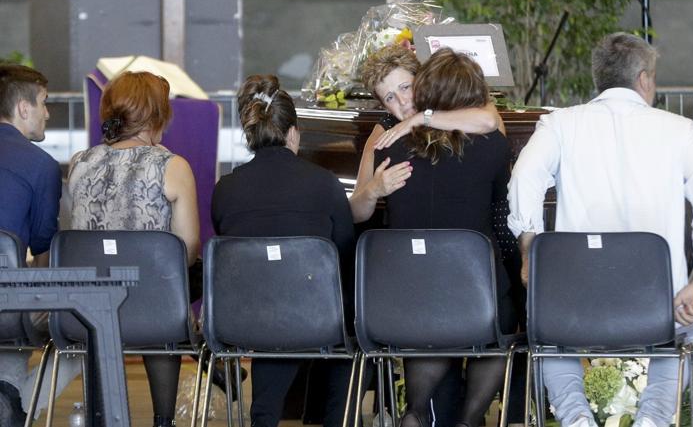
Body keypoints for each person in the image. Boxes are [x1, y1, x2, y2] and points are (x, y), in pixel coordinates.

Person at [508, 32, 693, 427]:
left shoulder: (560, 124)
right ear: (644, 79)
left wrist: (530, 249)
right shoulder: (681, 131)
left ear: (600, 79)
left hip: (576, 304)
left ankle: (575, 417)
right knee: (688, 328)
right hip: (658, 305)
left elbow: (523, 177)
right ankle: (654, 418)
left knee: (551, 334)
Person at [373, 49, 514, 427]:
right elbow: (502, 208)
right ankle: (468, 420)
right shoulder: (494, 148)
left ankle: (416, 410)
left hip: (407, 299)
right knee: (503, 328)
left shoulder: (389, 146)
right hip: (475, 295)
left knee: (431, 316)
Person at [210, 75, 355, 427]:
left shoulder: (225, 189)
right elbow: (345, 250)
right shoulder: (325, 183)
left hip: (243, 320)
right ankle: (337, 418)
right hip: (316, 318)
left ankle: (264, 416)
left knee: (271, 308)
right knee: (344, 312)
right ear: (293, 133)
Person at [67, 71, 199, 427]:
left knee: (155, 292)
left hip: (85, 311)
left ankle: (99, 415)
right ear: (157, 115)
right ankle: (163, 420)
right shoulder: (172, 166)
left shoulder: (79, 163)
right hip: (152, 312)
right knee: (168, 291)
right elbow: (184, 251)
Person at [350, 44, 502, 223]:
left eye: (405, 87)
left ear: (421, 80)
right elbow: (354, 213)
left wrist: (420, 118)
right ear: (384, 107)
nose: (403, 101)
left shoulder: (451, 103)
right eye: (390, 98)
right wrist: (373, 190)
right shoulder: (385, 131)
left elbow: (490, 121)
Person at [0, 64, 60, 422]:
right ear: (24, 108)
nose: (48, 113)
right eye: (44, 102)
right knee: (89, 325)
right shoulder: (40, 165)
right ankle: (13, 397)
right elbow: (43, 248)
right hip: (5, 305)